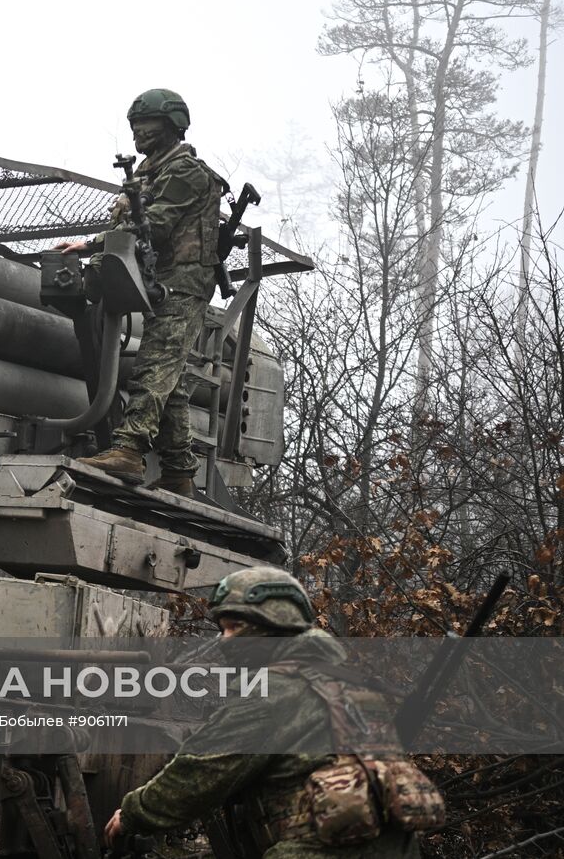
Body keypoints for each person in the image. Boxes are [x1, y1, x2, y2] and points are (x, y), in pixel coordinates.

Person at [102, 567, 439, 857]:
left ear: (273, 624)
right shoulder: (347, 683)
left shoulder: (275, 690)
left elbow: (200, 771)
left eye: (235, 626)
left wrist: (132, 814)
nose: (225, 640)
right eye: (223, 628)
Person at [56, 88, 227, 497]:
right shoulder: (147, 174)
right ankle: (179, 472)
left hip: (182, 285)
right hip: (156, 280)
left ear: (172, 127)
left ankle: (129, 451)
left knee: (154, 369)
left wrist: (92, 244)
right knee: (172, 380)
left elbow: (157, 223)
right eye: (135, 126)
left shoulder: (187, 173)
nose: (139, 134)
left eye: (148, 126)